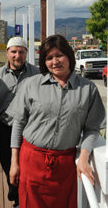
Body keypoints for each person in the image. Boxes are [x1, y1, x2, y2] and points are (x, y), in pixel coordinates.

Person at [9, 34, 106, 208]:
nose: (55, 61)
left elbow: (92, 128)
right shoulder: (31, 85)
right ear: (44, 62)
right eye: (49, 58)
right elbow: (18, 123)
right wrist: (14, 162)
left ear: (69, 56)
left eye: (59, 55)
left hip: (64, 165)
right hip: (31, 160)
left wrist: (84, 158)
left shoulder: (88, 89)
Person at [0, 36, 39, 207]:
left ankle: (20, 199)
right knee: (8, 165)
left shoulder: (37, 75)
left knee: (28, 168)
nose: (17, 55)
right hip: (5, 129)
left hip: (30, 130)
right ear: (7, 53)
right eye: (14, 51)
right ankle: (14, 191)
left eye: (21, 52)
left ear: (26, 53)